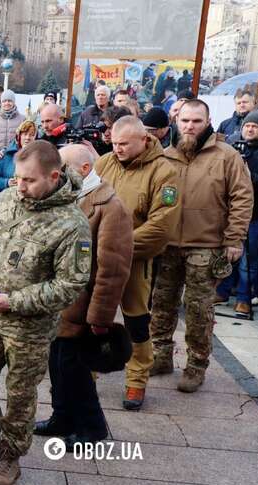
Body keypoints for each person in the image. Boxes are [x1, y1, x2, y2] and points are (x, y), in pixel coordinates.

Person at [0, 140, 91, 485]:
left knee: (19, 393)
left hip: (30, 326)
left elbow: (69, 285)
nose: (20, 186)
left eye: (29, 180)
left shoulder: (72, 224)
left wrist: (13, 300)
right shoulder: (6, 200)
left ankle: (11, 455)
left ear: (54, 176)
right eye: (17, 179)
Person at [34, 144, 133, 450]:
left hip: (82, 309)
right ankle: (62, 417)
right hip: (59, 306)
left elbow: (112, 270)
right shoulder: (70, 197)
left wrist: (100, 319)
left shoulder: (109, 207)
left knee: (75, 370)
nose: (57, 174)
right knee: (58, 367)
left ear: (84, 170)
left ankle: (92, 427)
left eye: (62, 168)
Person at [152, 100, 254, 391]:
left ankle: (196, 365)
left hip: (206, 245)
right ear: (176, 121)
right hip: (168, 244)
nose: (190, 126)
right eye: (184, 121)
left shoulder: (226, 156)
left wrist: (234, 238)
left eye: (196, 121)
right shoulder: (166, 155)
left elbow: (242, 198)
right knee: (162, 303)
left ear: (208, 120)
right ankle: (160, 355)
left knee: (198, 309)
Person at [92, 116, 180, 409]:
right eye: (114, 143)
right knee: (92, 319)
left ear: (144, 140)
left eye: (124, 144)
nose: (117, 149)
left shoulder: (164, 171)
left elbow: (161, 225)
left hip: (134, 262)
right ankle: (87, 371)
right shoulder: (104, 163)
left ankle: (136, 381)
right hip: (97, 260)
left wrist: (118, 248)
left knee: (136, 323)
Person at [216, 112, 258, 315]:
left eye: (255, 126)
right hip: (229, 213)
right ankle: (222, 291)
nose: (250, 129)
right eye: (247, 125)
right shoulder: (233, 146)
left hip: (257, 215)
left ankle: (244, 298)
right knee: (225, 256)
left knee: (249, 261)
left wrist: (250, 176)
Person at [0, 120, 37, 198]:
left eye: (31, 135)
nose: (28, 138)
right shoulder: (7, 154)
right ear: (19, 136)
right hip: (8, 200)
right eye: (25, 134)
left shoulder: (39, 156)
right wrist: (6, 183)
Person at [0, 90, 25, 167]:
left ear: (14, 102)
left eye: (9, 101)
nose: (7, 103)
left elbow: (24, 139)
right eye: (4, 101)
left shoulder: (22, 119)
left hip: (14, 158)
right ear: (1, 102)